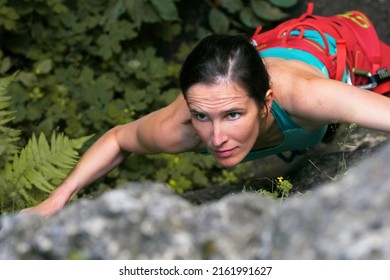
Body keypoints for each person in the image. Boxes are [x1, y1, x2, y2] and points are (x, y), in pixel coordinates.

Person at [22, 4, 390, 217]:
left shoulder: (311, 97)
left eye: (232, 115)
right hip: (255, 59)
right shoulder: (180, 126)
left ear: (266, 103)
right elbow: (119, 139)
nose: (216, 139)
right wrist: (56, 199)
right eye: (202, 116)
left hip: (335, 51)